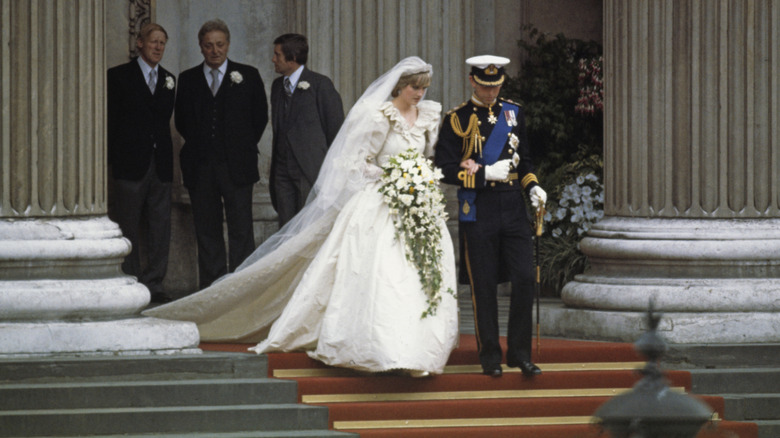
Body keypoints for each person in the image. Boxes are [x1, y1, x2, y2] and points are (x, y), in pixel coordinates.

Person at [145, 57, 458, 376]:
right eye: (413, 87)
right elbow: (353, 163)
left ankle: (415, 345)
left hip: (417, 205)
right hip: (379, 203)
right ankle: (382, 344)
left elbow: (429, 159)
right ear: (398, 86)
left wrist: (419, 177)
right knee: (384, 273)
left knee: (419, 274)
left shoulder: (428, 117)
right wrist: (392, 174)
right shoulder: (376, 115)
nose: (419, 93)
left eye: (423, 88)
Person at [434, 55, 547, 377]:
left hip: (513, 206)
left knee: (525, 278)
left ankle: (520, 354)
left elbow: (525, 161)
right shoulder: (457, 119)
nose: (490, 93)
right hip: (479, 208)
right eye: (485, 86)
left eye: (496, 86)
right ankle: (490, 357)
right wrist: (484, 175)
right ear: (472, 81)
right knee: (483, 285)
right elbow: (444, 168)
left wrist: (534, 187)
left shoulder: (514, 113)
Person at [175, 19, 269, 289]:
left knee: (241, 229)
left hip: (237, 166)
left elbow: (259, 117)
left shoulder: (247, 75)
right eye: (208, 46)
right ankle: (212, 290)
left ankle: (241, 288)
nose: (214, 50)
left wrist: (239, 146)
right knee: (207, 230)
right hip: (200, 167)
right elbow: (182, 120)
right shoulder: (188, 79)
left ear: (228, 44)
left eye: (219, 44)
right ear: (200, 47)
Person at [107, 23, 176, 303]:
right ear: (139, 44)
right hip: (129, 165)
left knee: (160, 227)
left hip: (160, 165)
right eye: (153, 42)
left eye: (162, 42)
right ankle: (131, 279)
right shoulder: (119, 76)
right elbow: (110, 122)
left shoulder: (169, 79)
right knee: (128, 224)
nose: (158, 47)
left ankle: (155, 282)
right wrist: (113, 160)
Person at [270, 33, 344, 226]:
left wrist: (328, 172)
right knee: (285, 227)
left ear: (292, 58)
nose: (273, 59)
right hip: (281, 173)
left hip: (309, 171)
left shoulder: (321, 85)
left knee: (308, 228)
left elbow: (335, 130)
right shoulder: (277, 86)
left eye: (277, 55)